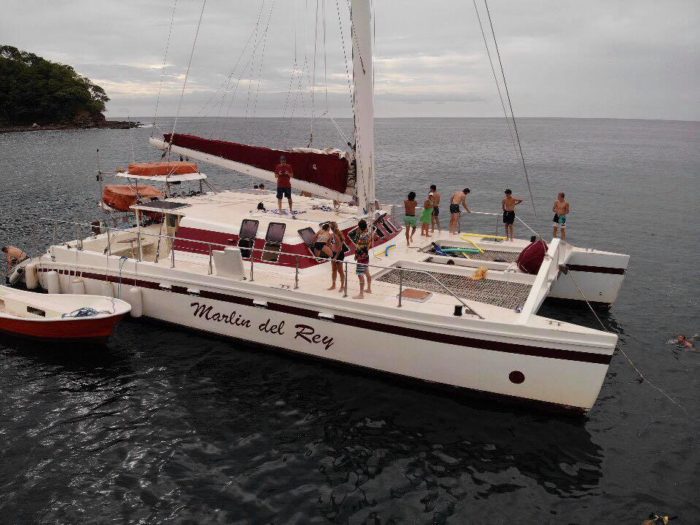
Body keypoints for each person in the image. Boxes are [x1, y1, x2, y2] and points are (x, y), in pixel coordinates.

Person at [353, 219, 372, 299]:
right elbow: (367, 245)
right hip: (366, 256)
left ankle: (361, 294)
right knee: (367, 272)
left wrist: (356, 256)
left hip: (361, 258)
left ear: (359, 227)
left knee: (360, 275)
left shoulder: (362, 236)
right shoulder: (368, 233)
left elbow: (358, 248)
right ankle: (369, 289)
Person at [328, 222, 346, 293]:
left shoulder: (336, 235)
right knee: (334, 270)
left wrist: (335, 256)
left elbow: (340, 248)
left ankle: (342, 286)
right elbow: (331, 244)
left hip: (338, 254)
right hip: (334, 253)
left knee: (340, 271)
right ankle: (333, 284)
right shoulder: (332, 235)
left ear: (331, 228)